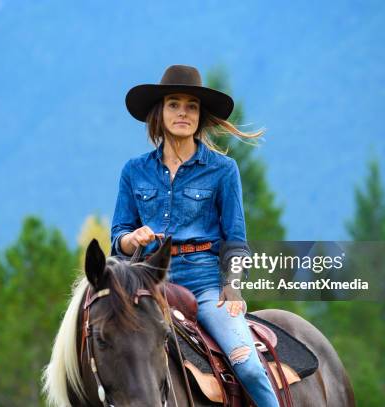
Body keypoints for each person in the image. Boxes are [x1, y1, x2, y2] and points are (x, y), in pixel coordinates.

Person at [110, 64, 279, 407]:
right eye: (174, 103)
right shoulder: (133, 170)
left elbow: (235, 240)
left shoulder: (223, 170)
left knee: (248, 369)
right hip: (148, 285)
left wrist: (232, 285)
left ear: (201, 116)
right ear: (159, 112)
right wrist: (133, 239)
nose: (182, 113)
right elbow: (119, 236)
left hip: (205, 287)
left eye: (191, 106)